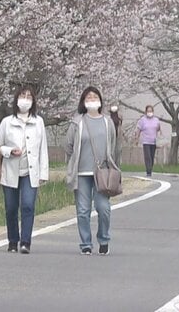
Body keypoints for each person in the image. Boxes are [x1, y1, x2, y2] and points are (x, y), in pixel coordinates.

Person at [0, 86, 49, 254]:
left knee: (28, 206)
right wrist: (9, 151)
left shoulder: (38, 122)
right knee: (11, 208)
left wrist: (43, 173)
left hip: (30, 172)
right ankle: (12, 240)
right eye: (22, 96)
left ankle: (25, 241)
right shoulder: (7, 122)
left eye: (29, 97)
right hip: (10, 170)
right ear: (16, 100)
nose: (25, 99)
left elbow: (42, 149)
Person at [65, 86, 116, 256]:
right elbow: (68, 146)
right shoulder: (77, 122)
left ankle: (103, 239)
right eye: (88, 97)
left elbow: (114, 145)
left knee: (103, 208)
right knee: (83, 210)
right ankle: (85, 243)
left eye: (95, 97)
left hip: (102, 173)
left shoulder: (107, 122)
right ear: (83, 102)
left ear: (100, 101)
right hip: (81, 173)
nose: (92, 100)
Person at [134, 105, 161, 177]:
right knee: (147, 156)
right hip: (146, 141)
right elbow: (139, 129)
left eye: (151, 111)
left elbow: (158, 129)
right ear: (146, 112)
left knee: (152, 157)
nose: (150, 112)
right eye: (148, 111)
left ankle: (150, 169)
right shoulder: (142, 120)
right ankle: (148, 171)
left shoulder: (156, 120)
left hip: (154, 141)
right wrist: (137, 138)